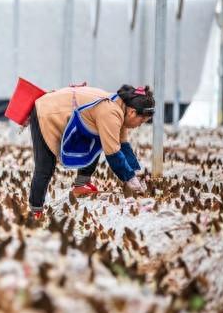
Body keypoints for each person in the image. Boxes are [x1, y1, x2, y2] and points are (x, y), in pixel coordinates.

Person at [28, 84, 154, 219]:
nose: (139, 126)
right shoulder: (111, 112)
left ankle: (82, 184)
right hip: (47, 111)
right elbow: (112, 152)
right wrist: (129, 178)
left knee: (98, 142)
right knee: (45, 166)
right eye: (141, 121)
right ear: (132, 112)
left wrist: (134, 171)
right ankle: (35, 210)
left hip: (63, 111)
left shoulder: (120, 106)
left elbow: (123, 145)